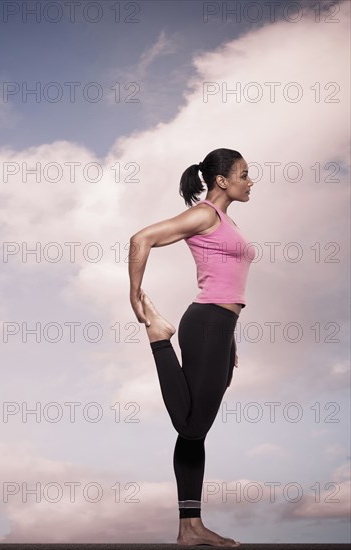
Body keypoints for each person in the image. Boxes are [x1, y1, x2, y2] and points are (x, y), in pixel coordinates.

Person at [128, 148, 255, 547]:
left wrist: (230, 337)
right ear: (222, 181)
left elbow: (229, 283)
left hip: (221, 327)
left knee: (195, 434)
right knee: (191, 425)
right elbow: (141, 238)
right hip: (205, 323)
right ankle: (158, 339)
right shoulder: (205, 215)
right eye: (244, 174)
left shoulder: (226, 222)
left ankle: (190, 527)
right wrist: (134, 294)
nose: (250, 181)